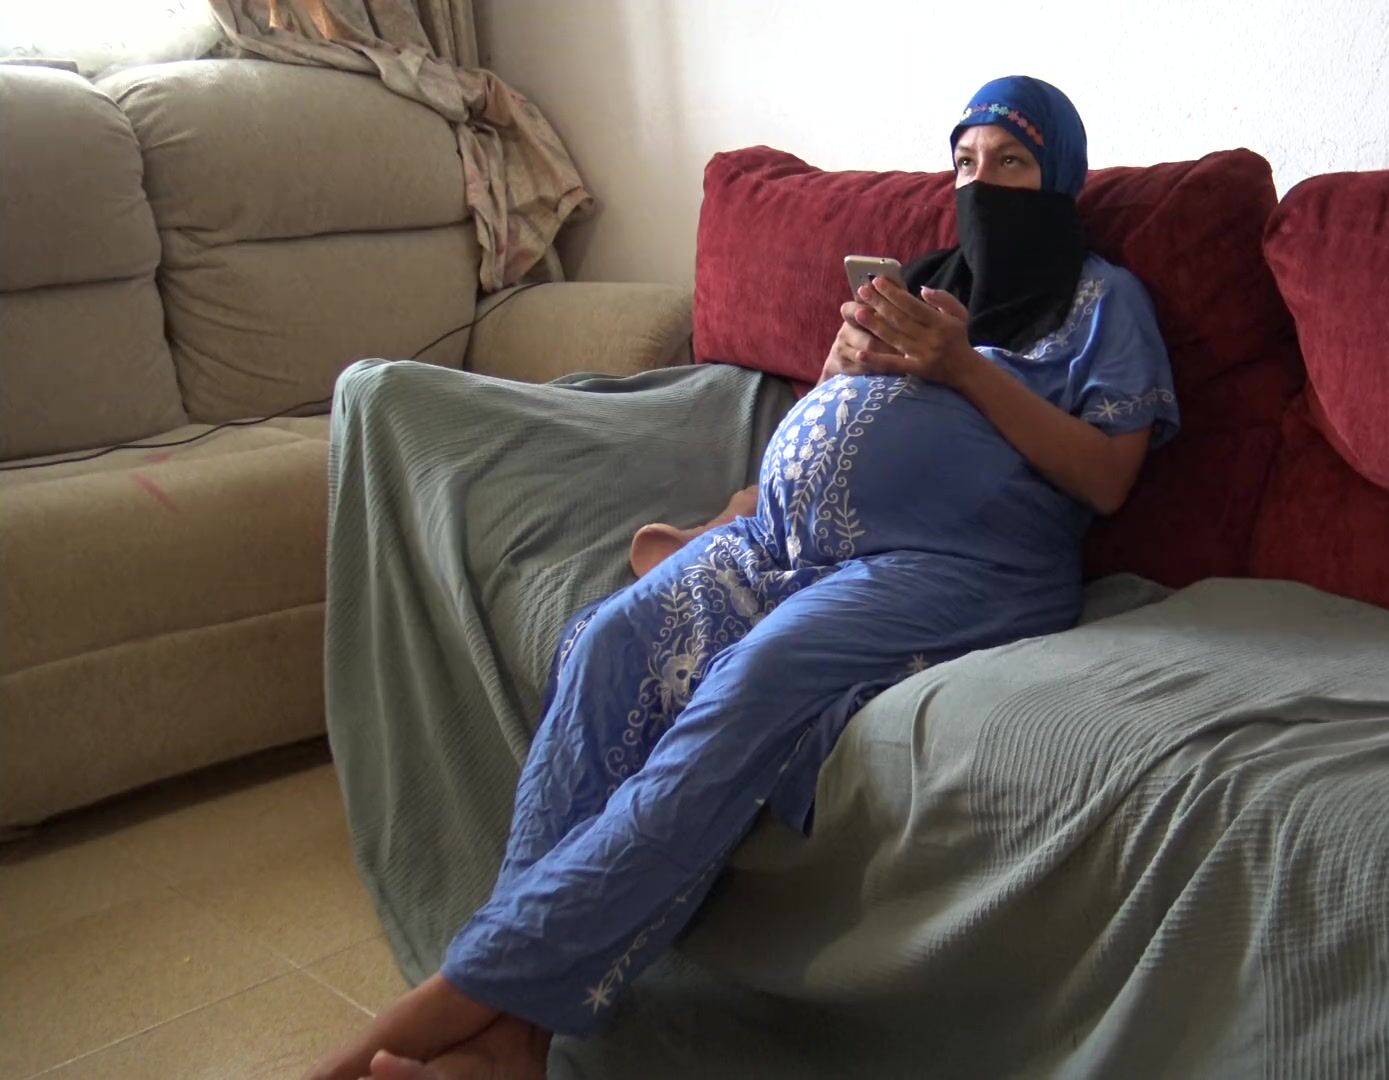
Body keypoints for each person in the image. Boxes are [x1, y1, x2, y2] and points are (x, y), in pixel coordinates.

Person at [312, 74, 1179, 1080]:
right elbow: (842, 420)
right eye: (965, 162)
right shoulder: (930, 279)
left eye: (1012, 163)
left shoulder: (1104, 300)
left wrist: (964, 368)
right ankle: (517, 1040)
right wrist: (845, 367)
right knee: (610, 643)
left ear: (1060, 176)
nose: (981, 183)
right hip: (786, 539)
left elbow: (1107, 479)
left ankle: (464, 993)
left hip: (965, 562)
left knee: (750, 685)